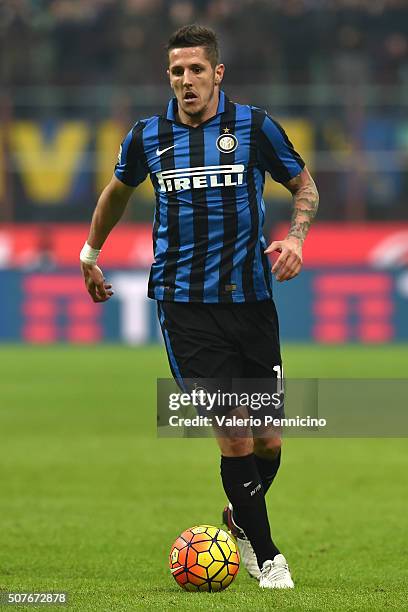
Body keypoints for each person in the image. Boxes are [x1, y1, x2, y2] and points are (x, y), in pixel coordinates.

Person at [80, 24, 319, 589]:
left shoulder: (255, 127)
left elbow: (304, 185)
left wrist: (296, 237)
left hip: (253, 301)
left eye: (194, 70)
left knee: (269, 440)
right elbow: (118, 191)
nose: (185, 81)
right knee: (234, 435)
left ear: (217, 73)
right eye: (175, 71)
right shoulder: (147, 136)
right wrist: (91, 252)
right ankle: (269, 558)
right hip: (185, 306)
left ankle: (240, 515)